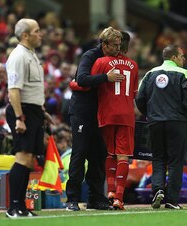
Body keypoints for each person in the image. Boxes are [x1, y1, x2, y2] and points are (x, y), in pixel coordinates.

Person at [66, 26, 124, 211]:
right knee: (80, 153)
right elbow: (81, 79)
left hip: (101, 113)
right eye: (114, 45)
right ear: (104, 44)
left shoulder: (114, 59)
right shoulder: (90, 56)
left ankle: (95, 198)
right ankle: (72, 199)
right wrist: (105, 78)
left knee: (98, 156)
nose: (118, 49)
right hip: (83, 112)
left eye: (119, 45)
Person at [135, 44, 187, 210]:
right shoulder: (183, 73)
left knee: (158, 158)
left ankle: (158, 189)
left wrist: (149, 114)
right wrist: (185, 115)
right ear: (174, 57)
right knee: (175, 160)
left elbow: (140, 98)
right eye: (182, 56)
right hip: (177, 122)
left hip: (155, 122)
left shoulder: (149, 74)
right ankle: (172, 200)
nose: (184, 59)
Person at [5, 18, 52, 218]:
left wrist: (42, 111)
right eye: (37, 31)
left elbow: (33, 89)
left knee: (30, 160)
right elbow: (13, 91)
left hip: (33, 111)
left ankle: (22, 206)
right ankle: (13, 207)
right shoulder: (18, 56)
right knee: (22, 158)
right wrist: (19, 117)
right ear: (25, 35)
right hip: (22, 110)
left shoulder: (32, 56)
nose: (40, 34)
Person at [91, 31, 138, 210]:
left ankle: (110, 191)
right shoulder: (133, 65)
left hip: (107, 113)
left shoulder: (101, 62)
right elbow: (134, 94)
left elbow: (89, 84)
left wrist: (73, 83)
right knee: (123, 155)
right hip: (126, 114)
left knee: (109, 153)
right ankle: (119, 197)